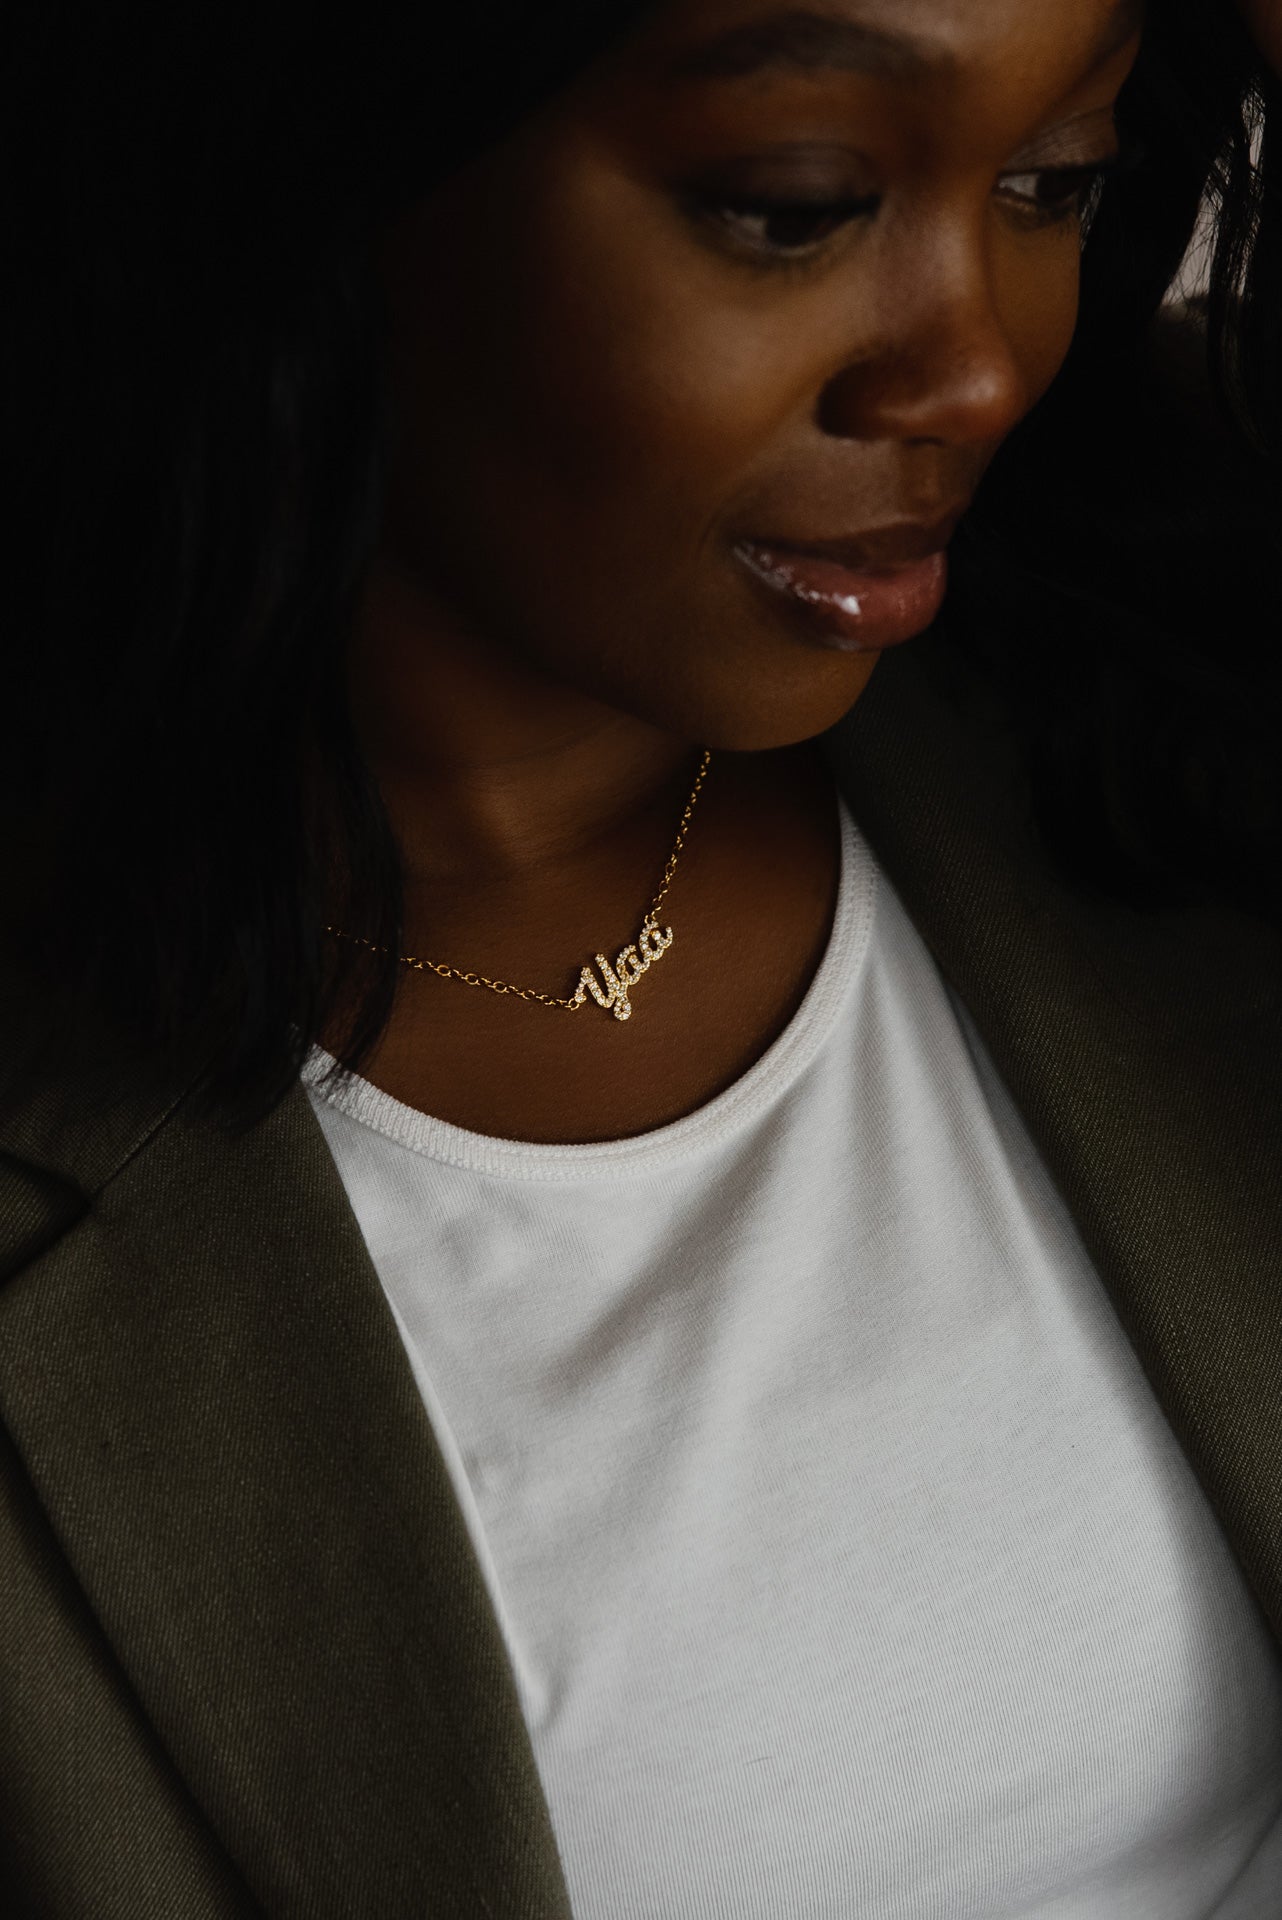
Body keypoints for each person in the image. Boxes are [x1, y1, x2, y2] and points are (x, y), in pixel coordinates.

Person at [2, 0, 1281, 1914]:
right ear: (302, 167)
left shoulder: (1175, 715)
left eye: (1051, 181)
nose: (980, 365)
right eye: (795, 206)